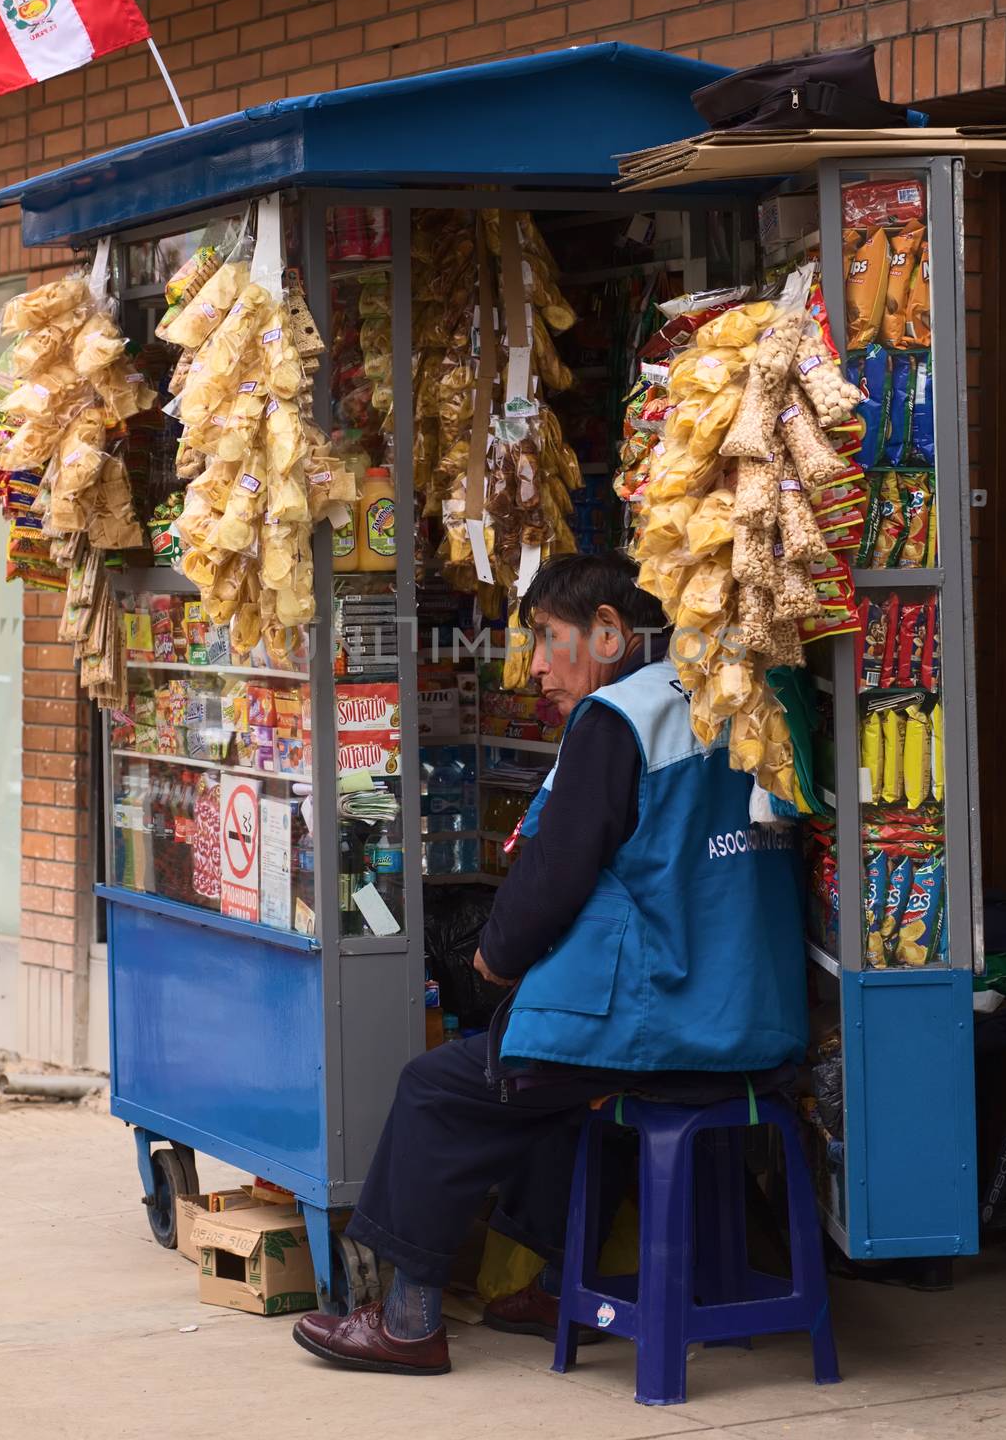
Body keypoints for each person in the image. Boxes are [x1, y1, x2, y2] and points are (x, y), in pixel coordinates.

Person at [293, 551, 808, 1376]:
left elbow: (554, 871)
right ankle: (547, 1281)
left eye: (547, 636)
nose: (533, 664)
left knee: (447, 1084)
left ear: (608, 632)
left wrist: (496, 956)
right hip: (758, 1019)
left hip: (663, 1020)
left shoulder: (620, 717)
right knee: (550, 1078)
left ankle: (408, 1319)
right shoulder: (750, 694)